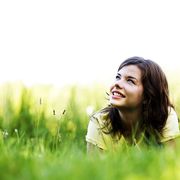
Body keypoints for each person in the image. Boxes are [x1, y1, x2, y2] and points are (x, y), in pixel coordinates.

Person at [86, 56, 180, 153]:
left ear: (148, 94)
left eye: (130, 81)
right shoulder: (99, 122)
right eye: (118, 77)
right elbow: (94, 167)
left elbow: (171, 162)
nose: (117, 84)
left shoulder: (165, 116)